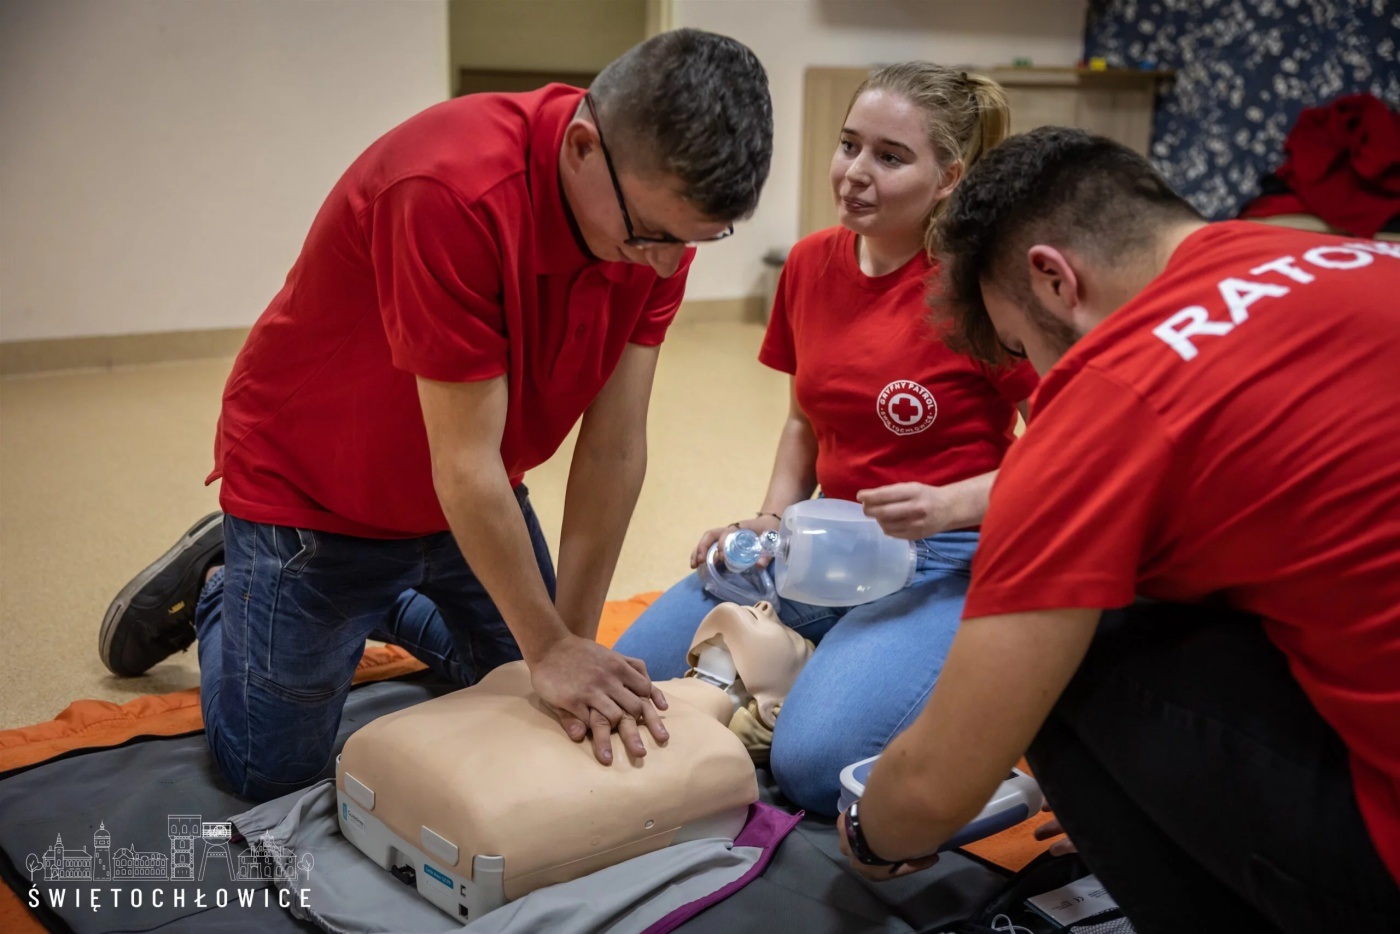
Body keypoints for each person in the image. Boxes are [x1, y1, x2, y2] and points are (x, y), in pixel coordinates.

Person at [98, 28, 773, 802]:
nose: (665, 262)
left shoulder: (655, 225)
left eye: (695, 241)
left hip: (468, 490)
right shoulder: (450, 189)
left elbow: (615, 447)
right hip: (316, 493)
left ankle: (373, 601)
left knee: (529, 690)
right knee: (272, 773)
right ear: (583, 147)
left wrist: (567, 643)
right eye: (651, 236)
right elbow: (463, 464)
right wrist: (546, 644)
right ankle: (227, 581)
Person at [837, 127, 1400, 934]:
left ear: (1056, 279)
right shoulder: (1352, 254)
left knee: (1079, 646)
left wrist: (873, 835)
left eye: (1024, 348)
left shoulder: (1108, 400)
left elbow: (934, 788)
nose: (1037, 383)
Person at [613, 62, 1037, 815]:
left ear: (950, 177)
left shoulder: (983, 291)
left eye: (890, 156)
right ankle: (819, 665)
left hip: (947, 556)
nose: (854, 173)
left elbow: (1068, 452)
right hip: (825, 540)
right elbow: (805, 421)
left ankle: (958, 738)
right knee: (623, 682)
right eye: (849, 145)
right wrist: (771, 519)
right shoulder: (810, 265)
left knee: (812, 769)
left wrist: (947, 506)